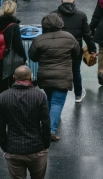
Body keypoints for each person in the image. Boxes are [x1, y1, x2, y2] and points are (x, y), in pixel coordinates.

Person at [29, 13, 80, 141]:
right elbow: (77, 53)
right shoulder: (69, 38)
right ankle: (49, 131)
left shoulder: (39, 39)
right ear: (60, 23)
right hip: (63, 75)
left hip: (45, 75)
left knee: (50, 100)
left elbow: (33, 57)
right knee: (57, 103)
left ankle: (45, 125)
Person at [0, 66, 51, 179]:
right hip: (36, 148)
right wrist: (45, 144)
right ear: (30, 77)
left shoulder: (3, 97)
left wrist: (5, 147)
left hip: (13, 148)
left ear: (14, 77)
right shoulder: (39, 96)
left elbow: (0, 126)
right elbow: (45, 123)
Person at [0, 0, 26, 129]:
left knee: (1, 89)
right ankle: (12, 117)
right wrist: (24, 58)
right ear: (14, 10)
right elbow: (18, 45)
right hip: (9, 63)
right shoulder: (13, 26)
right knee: (13, 89)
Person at [52, 0, 96, 103]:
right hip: (75, 50)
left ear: (61, 1)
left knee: (59, 72)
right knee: (76, 71)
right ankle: (78, 95)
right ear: (74, 2)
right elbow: (87, 34)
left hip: (58, 50)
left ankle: (58, 95)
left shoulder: (53, 15)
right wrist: (92, 50)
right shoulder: (81, 15)